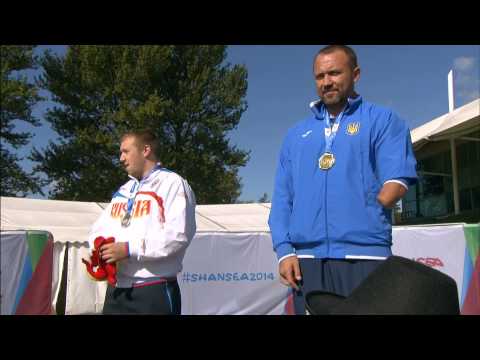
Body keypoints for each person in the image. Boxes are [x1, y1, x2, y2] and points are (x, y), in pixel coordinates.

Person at [268, 45, 418, 314]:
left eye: (335, 73)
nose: (326, 82)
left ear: (356, 74)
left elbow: (396, 177)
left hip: (365, 255)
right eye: (320, 76)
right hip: (306, 261)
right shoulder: (295, 134)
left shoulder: (382, 120)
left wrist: (384, 195)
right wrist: (284, 250)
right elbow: (281, 198)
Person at [87, 129, 196, 314]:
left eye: (125, 151)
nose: (121, 158)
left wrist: (130, 249)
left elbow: (178, 236)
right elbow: (99, 228)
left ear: (145, 150)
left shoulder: (172, 183)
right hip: (117, 290)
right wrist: (99, 249)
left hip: (153, 289)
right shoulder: (124, 189)